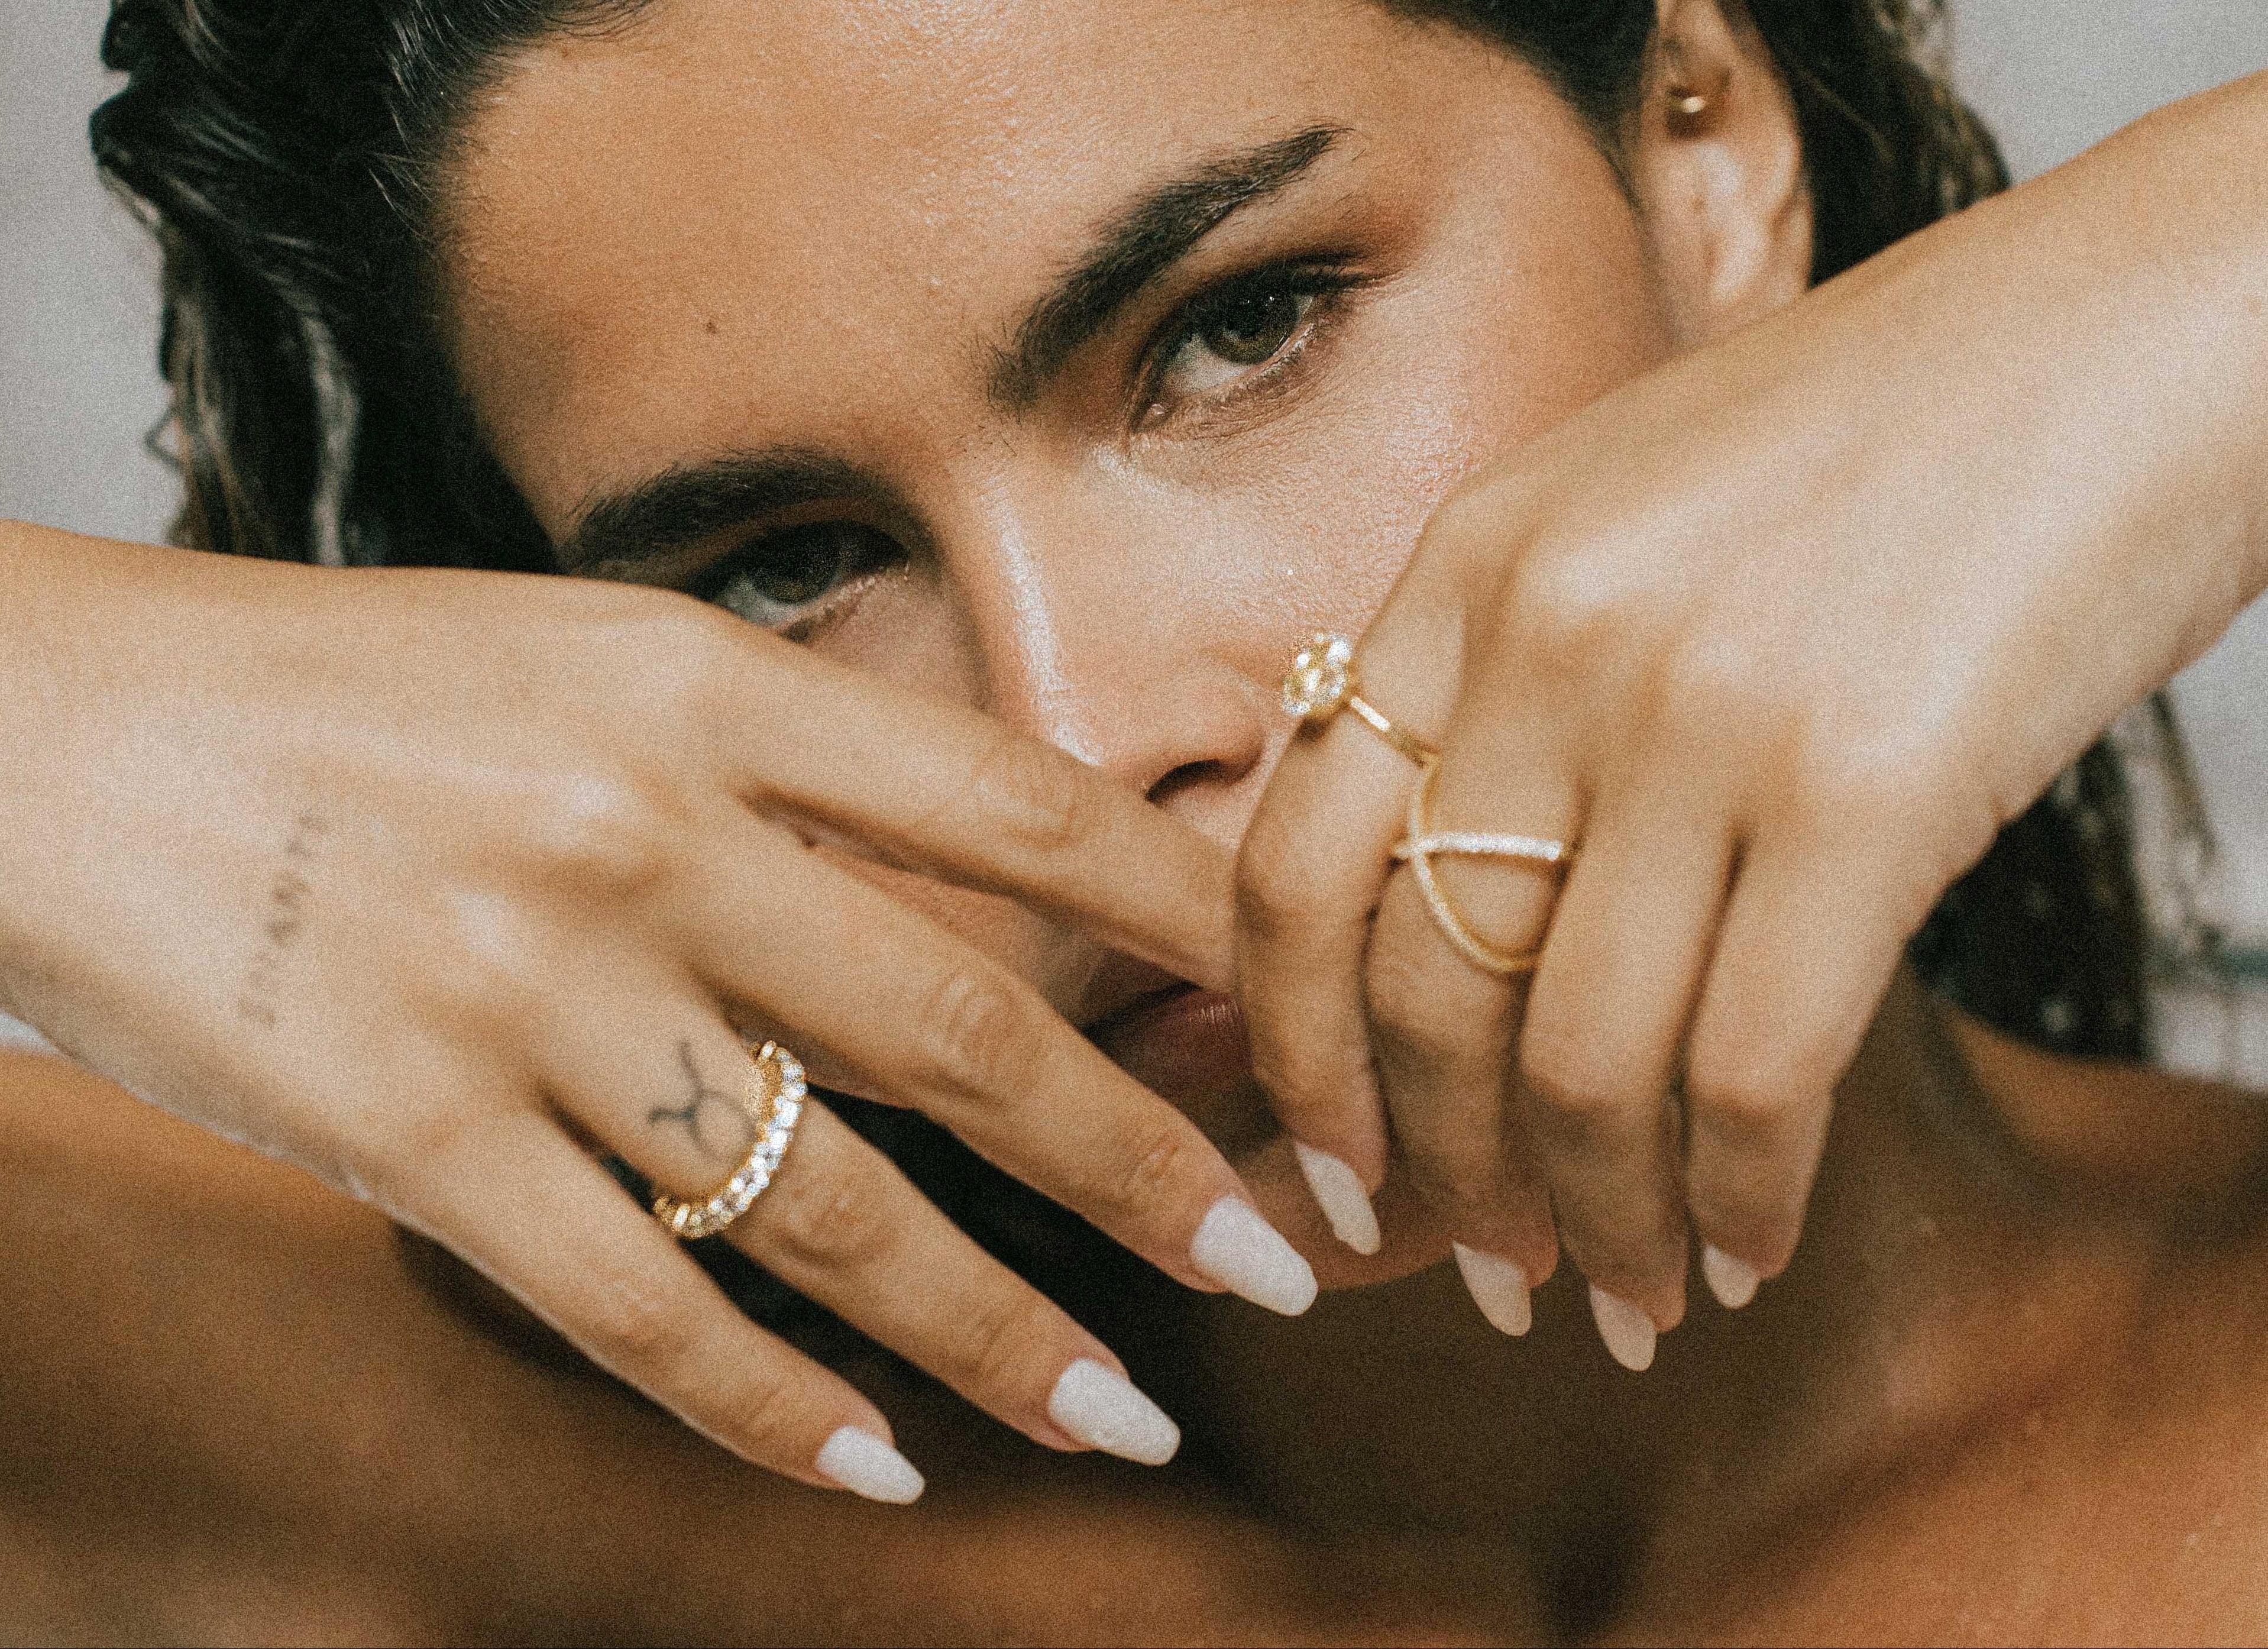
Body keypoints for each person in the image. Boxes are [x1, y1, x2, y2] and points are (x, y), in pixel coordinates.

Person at [4, 0, 2267, 1635]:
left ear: (1697, 144)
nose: (1073, 748)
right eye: (786, 565)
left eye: (1240, 326)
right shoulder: (333, 1437)